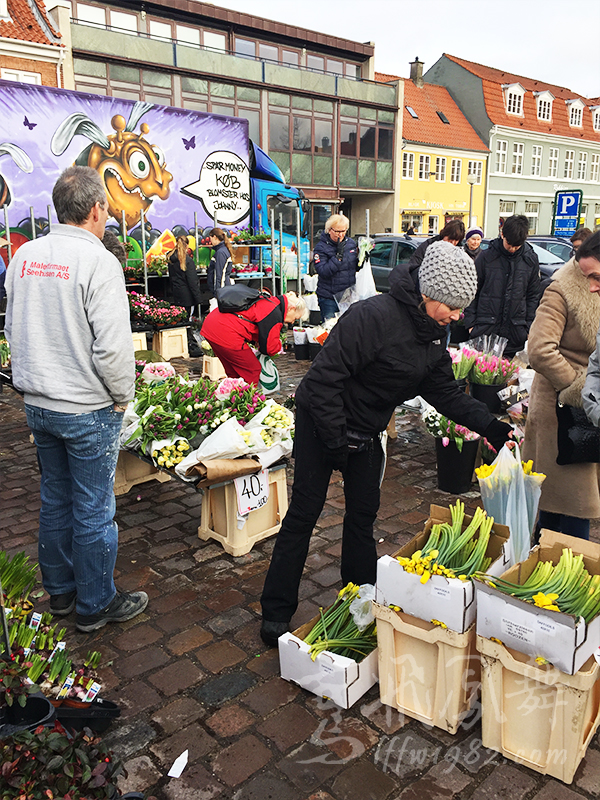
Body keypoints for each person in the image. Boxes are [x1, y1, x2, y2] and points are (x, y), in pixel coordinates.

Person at [259, 241, 513, 646]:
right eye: (453, 306)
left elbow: (446, 394)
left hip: (367, 431)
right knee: (303, 516)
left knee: (363, 515)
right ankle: (275, 612)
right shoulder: (371, 318)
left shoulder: (432, 338)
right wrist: (338, 442)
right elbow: (320, 384)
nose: (459, 316)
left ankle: (360, 594)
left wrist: (493, 428)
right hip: (322, 422)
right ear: (429, 295)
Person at [4, 166, 147, 633]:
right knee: (92, 506)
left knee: (55, 499)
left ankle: (62, 593)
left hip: (39, 401)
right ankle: (95, 603)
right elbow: (112, 347)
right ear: (95, 210)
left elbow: (12, 328)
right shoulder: (98, 262)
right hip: (86, 407)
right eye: (106, 207)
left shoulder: (26, 256)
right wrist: (122, 397)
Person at [523, 231, 600, 541]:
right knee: (573, 505)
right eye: (589, 276)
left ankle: (542, 560)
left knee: (558, 503)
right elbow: (540, 348)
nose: (591, 284)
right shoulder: (562, 290)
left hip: (588, 410)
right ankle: (559, 569)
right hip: (561, 414)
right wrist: (579, 387)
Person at [463, 215, 540, 357]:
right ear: (502, 234)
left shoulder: (530, 260)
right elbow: (472, 292)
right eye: (509, 244)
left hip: (516, 333)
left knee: (511, 378)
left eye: (517, 246)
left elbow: (533, 295)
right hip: (484, 332)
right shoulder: (486, 257)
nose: (512, 249)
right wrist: (471, 325)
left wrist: (528, 328)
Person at [201, 291, 308, 385]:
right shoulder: (274, 313)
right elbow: (269, 348)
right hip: (226, 332)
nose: (292, 322)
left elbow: (252, 319)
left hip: (212, 326)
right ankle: (245, 404)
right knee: (252, 370)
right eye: (295, 318)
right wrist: (278, 344)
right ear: (291, 309)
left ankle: (231, 402)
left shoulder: (269, 301)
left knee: (234, 373)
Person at [313, 214, 358, 321]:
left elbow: (353, 267)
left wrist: (362, 260)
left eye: (344, 231)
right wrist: (337, 257)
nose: (341, 235)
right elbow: (323, 271)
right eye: (337, 231)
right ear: (329, 230)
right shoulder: (321, 247)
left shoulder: (350, 244)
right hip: (329, 297)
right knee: (330, 328)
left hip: (347, 296)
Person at [168, 235, 202, 316]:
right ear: (187, 245)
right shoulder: (188, 261)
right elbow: (192, 281)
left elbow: (171, 278)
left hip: (177, 293)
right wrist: (198, 298)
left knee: (179, 317)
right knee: (187, 318)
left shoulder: (171, 259)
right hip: (187, 296)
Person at [206, 228, 233, 297]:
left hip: (222, 290)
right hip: (224, 288)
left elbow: (220, 274)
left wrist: (219, 293)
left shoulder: (220, 253)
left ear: (214, 237)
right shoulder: (222, 250)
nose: (210, 241)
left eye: (211, 238)